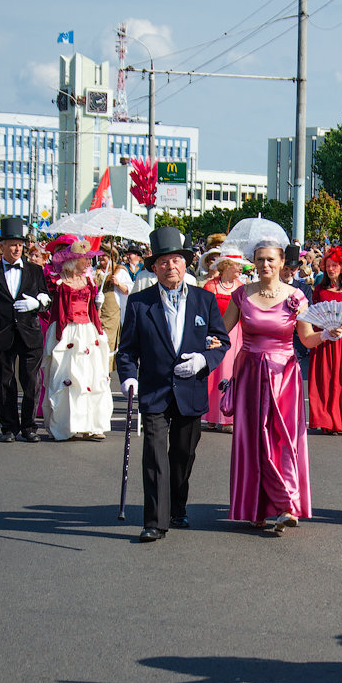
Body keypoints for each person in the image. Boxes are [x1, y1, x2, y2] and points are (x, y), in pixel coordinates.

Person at [218, 222, 342, 532]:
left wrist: (327, 334)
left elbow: (307, 339)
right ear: (253, 261)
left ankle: (287, 504)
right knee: (252, 440)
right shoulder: (241, 295)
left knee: (285, 440)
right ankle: (255, 507)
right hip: (248, 375)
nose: (265, 265)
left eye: (270, 259)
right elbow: (220, 334)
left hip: (284, 375)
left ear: (282, 262)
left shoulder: (296, 298)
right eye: (259, 259)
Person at [116, 226, 231, 542]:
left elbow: (221, 342)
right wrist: (127, 377)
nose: (171, 267)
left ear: (186, 264)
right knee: (154, 454)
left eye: (176, 260)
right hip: (154, 389)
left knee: (183, 454)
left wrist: (204, 361)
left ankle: (177, 505)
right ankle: (155, 520)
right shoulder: (140, 303)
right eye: (164, 262)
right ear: (154, 267)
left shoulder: (204, 300)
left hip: (190, 389)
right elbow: (127, 350)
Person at [0, 218, 52, 443]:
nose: (17, 248)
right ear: (1, 246)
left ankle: (29, 426)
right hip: (2, 333)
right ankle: (8, 427)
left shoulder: (35, 270)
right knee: (5, 382)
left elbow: (46, 298)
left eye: (20, 244)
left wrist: (37, 304)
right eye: (12, 244)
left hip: (30, 333)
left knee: (31, 382)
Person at [42, 240, 112, 441]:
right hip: (68, 331)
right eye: (85, 259)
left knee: (91, 376)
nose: (89, 262)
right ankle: (68, 425)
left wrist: (98, 306)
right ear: (74, 261)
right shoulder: (60, 283)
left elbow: (92, 311)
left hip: (88, 331)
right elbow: (57, 310)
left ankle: (92, 425)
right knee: (68, 375)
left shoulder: (90, 282)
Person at [308, 245, 342, 436]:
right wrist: (324, 328)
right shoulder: (319, 291)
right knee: (325, 381)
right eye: (328, 265)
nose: (331, 269)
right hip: (324, 341)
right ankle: (326, 421)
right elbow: (313, 319)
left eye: (335, 265)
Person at [201, 247, 247, 431]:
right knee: (214, 375)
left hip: (237, 335)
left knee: (231, 373)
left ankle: (229, 416)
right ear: (226, 265)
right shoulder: (210, 286)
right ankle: (212, 415)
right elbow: (204, 311)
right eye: (237, 265)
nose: (240, 269)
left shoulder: (242, 287)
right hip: (216, 333)